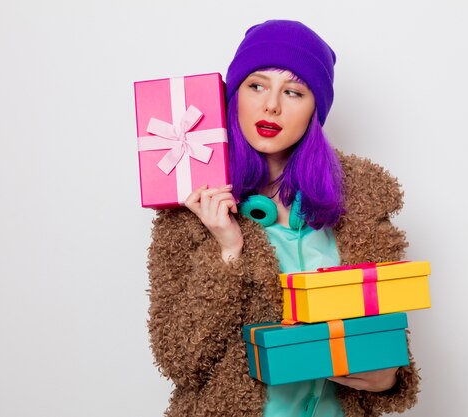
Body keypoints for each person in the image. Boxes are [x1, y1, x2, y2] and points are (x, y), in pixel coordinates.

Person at [147, 20, 420, 417]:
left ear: (315, 109)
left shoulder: (362, 199)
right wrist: (228, 250)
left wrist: (389, 378)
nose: (271, 105)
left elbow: (384, 330)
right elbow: (180, 359)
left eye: (293, 92)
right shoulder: (188, 206)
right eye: (256, 86)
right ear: (234, 94)